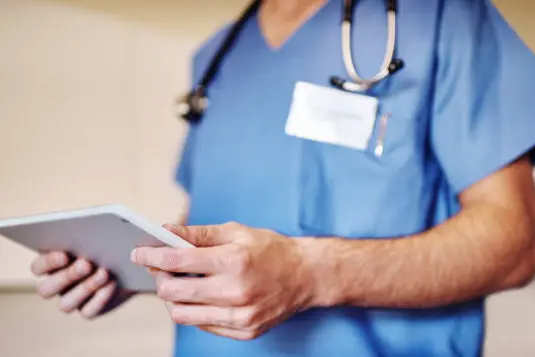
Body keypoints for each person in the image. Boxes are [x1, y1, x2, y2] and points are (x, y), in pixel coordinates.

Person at [31, 0, 535, 356]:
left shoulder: (443, 15)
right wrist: (138, 266)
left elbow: (516, 243)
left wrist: (310, 273)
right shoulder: (215, 58)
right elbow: (210, 219)